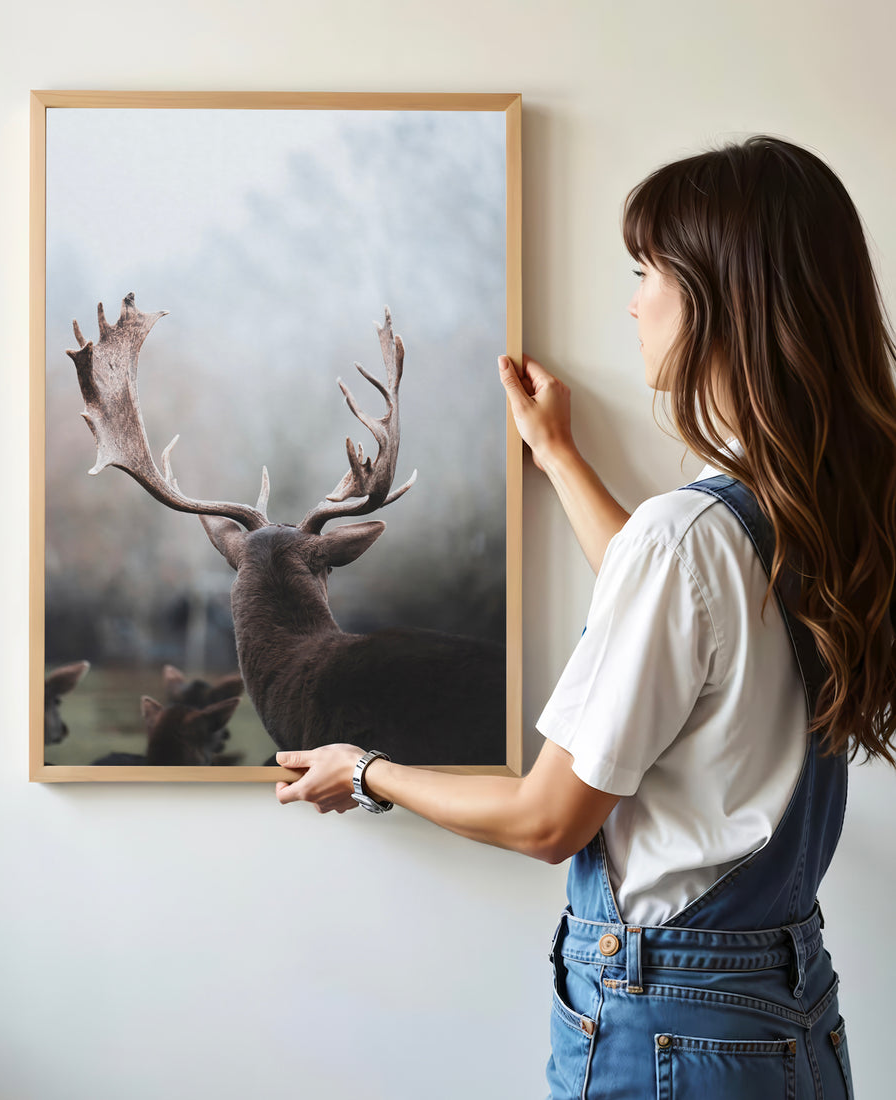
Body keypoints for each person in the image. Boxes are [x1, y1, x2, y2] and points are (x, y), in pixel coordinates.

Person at [273, 134, 896, 1098]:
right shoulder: (814, 510)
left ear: (721, 300)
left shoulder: (689, 536)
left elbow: (546, 819)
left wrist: (364, 770)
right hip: (783, 1015)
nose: (634, 299)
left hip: (670, 1031)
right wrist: (560, 457)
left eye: (648, 271)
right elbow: (686, 626)